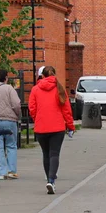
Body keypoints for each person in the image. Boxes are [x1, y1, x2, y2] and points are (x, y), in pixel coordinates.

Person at [29, 65, 75, 195]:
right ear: (54, 75)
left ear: (42, 76)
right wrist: (70, 126)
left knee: (45, 153)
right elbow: (66, 110)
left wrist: (37, 119)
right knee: (54, 154)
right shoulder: (60, 89)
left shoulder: (35, 89)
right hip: (57, 127)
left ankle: (48, 178)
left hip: (41, 127)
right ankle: (51, 180)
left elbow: (32, 108)